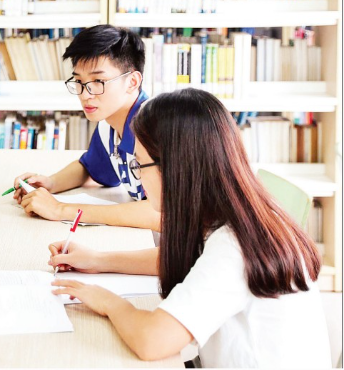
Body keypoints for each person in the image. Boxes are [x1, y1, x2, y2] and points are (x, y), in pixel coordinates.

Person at [50, 88, 330, 367]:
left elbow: (152, 340)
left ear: (174, 168)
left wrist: (108, 302)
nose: (138, 177)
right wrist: (98, 260)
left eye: (138, 165)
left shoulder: (233, 246)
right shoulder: (239, 212)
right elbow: (192, 258)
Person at [12, 25, 159, 230]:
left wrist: (60, 209)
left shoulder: (157, 128)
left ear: (132, 82)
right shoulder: (107, 125)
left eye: (98, 81)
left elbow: (160, 213)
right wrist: (51, 183)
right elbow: (89, 168)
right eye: (79, 81)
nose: (85, 94)